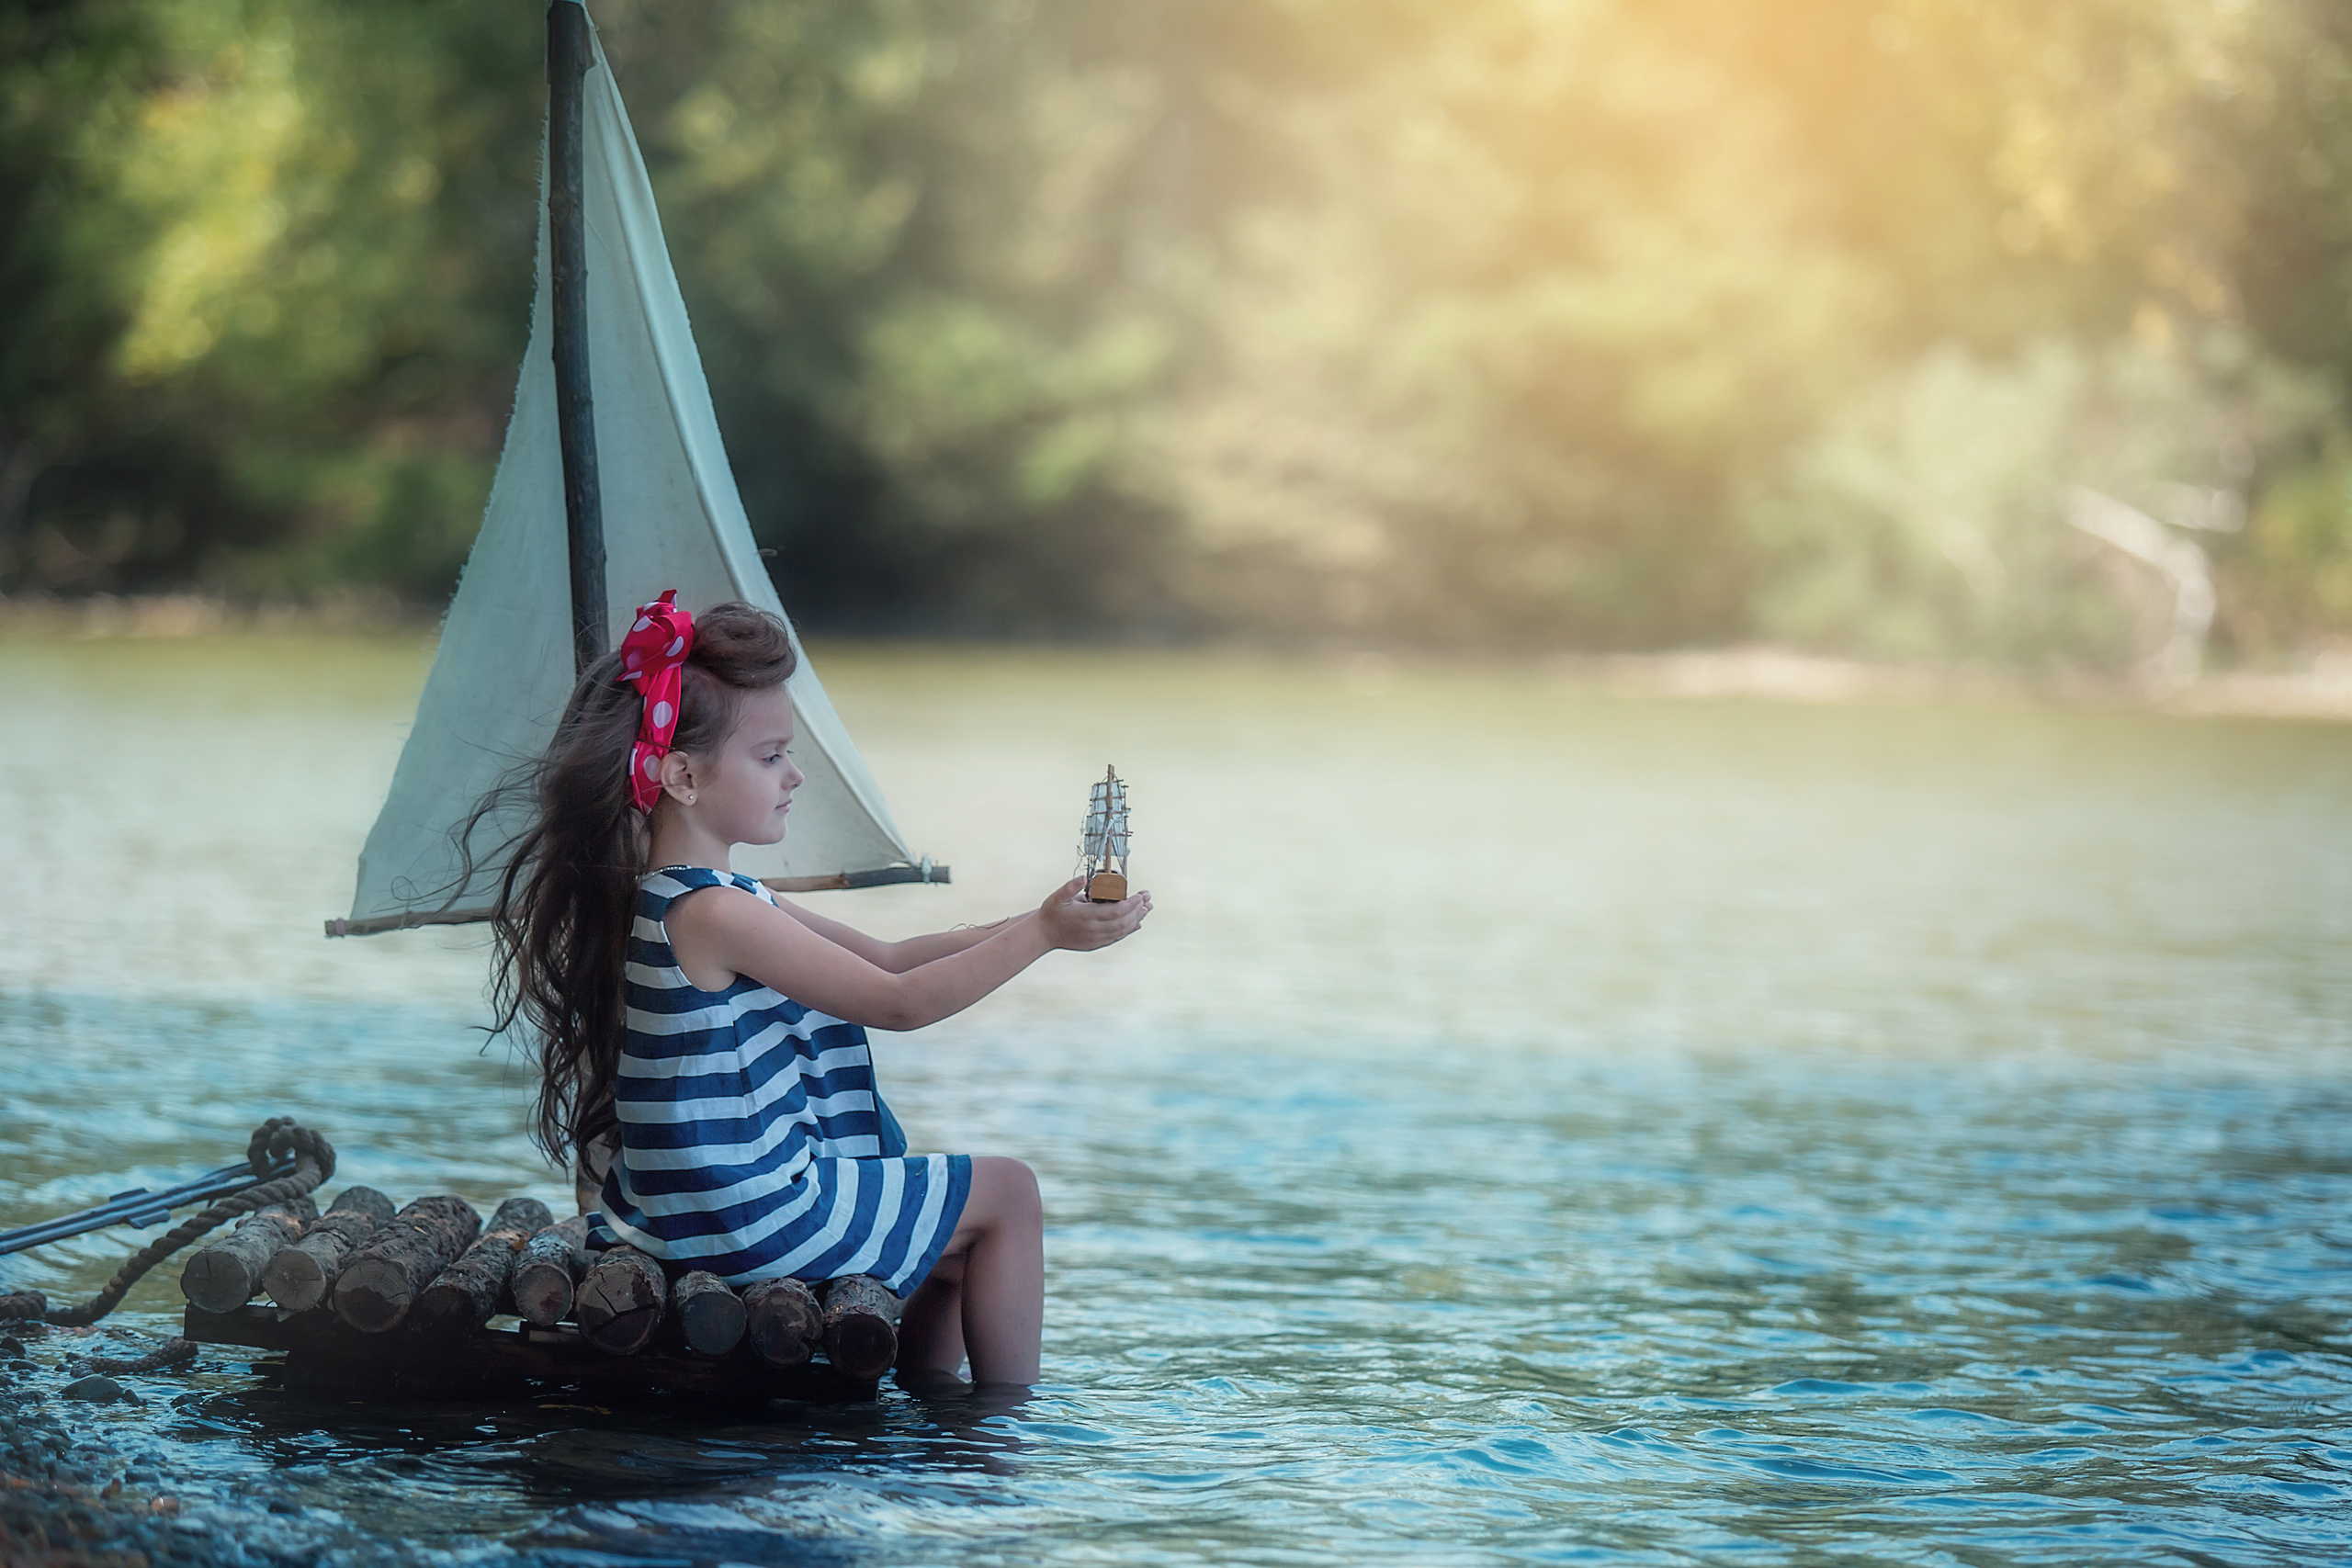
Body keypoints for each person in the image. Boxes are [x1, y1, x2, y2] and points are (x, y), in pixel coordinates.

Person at [481, 592, 1149, 1388]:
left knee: (950, 1244)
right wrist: (1040, 935)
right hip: (739, 1215)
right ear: (685, 775)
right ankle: (1000, 1439)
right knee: (1010, 1190)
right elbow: (898, 1005)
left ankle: (931, 1415)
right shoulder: (715, 910)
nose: (795, 775)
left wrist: (1037, 921)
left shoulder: (686, 894)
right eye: (770, 757)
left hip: (685, 1210)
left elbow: (889, 956)